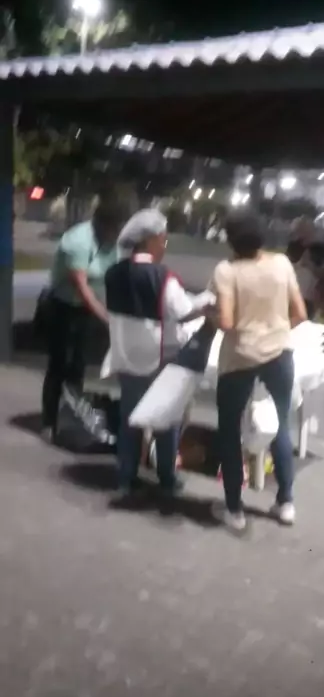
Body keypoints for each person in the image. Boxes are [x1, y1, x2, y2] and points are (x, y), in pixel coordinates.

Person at [104, 208, 209, 509]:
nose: (164, 246)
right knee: (166, 418)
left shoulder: (114, 273)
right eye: (163, 240)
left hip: (125, 354)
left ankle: (126, 477)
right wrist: (205, 305)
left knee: (130, 419)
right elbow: (183, 311)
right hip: (158, 358)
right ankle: (166, 478)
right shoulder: (163, 276)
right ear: (150, 240)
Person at [211, 210, 307, 532]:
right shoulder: (282, 263)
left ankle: (234, 510)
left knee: (229, 431)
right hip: (279, 355)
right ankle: (286, 502)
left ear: (230, 240)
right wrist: (274, 332)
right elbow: (300, 313)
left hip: (239, 358)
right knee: (280, 425)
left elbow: (226, 322)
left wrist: (210, 314)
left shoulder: (227, 270)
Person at [41, 195, 123, 441]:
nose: (118, 234)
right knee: (58, 365)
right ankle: (49, 422)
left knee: (78, 366)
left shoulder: (112, 244)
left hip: (86, 310)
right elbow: (81, 286)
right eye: (116, 228)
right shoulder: (78, 241)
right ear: (104, 224)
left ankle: (70, 419)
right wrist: (106, 318)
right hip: (62, 307)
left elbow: (112, 279)